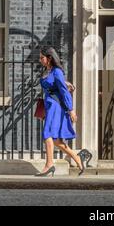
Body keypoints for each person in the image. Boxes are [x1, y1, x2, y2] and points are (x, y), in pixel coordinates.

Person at [36, 46, 85, 177]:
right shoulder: (49, 71)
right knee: (56, 140)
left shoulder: (57, 71)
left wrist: (71, 110)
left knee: (47, 134)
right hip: (49, 106)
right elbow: (56, 86)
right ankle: (78, 158)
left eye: (42, 57)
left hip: (56, 107)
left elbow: (63, 91)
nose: (40, 60)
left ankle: (49, 164)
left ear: (49, 58)